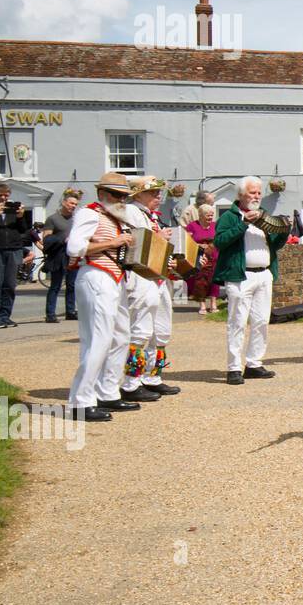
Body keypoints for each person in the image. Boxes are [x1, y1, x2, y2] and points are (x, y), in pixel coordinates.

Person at [65, 173, 138, 421]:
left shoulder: (115, 217)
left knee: (120, 335)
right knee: (98, 338)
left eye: (124, 196)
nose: (121, 199)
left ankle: (108, 391)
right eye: (116, 194)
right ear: (102, 194)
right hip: (96, 274)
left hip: (114, 278)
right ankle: (80, 401)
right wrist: (116, 242)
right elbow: (75, 248)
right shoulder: (89, 213)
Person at [214, 176, 289, 385]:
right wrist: (244, 224)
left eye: (258, 192)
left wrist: (284, 230)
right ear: (240, 195)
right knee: (237, 322)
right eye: (252, 192)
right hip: (240, 275)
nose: (256, 196)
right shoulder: (230, 217)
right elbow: (219, 241)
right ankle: (233, 368)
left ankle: (254, 364)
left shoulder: (264, 217)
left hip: (264, 273)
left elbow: (275, 244)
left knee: (261, 321)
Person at [119, 176, 181, 402]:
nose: (158, 197)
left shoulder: (149, 215)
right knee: (141, 330)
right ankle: (130, 383)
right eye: (153, 193)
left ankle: (152, 377)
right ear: (137, 195)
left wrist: (171, 261)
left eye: (158, 193)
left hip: (158, 278)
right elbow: (137, 243)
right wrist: (159, 238)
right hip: (141, 277)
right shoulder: (132, 213)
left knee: (161, 330)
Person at [0, 181, 32, 328]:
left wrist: (20, 217)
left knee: (10, 285)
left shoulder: (12, 210)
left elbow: (23, 230)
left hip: (13, 249)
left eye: (6, 195)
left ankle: (5, 316)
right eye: (0, 195)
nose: (3, 198)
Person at [41, 187, 82, 323]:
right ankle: (50, 314)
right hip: (58, 255)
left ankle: (70, 311)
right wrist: (61, 240)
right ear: (64, 202)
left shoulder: (76, 220)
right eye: (71, 203)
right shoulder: (52, 219)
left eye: (75, 204)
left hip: (73, 255)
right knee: (55, 285)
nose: (73, 206)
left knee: (72, 285)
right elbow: (46, 239)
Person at [185, 202, 220, 313]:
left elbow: (220, 238)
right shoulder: (192, 226)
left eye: (212, 214)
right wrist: (198, 245)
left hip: (214, 256)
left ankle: (214, 304)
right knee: (200, 281)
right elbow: (187, 240)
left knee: (214, 280)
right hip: (199, 257)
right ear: (200, 215)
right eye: (208, 215)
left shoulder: (216, 225)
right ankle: (202, 305)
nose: (210, 217)